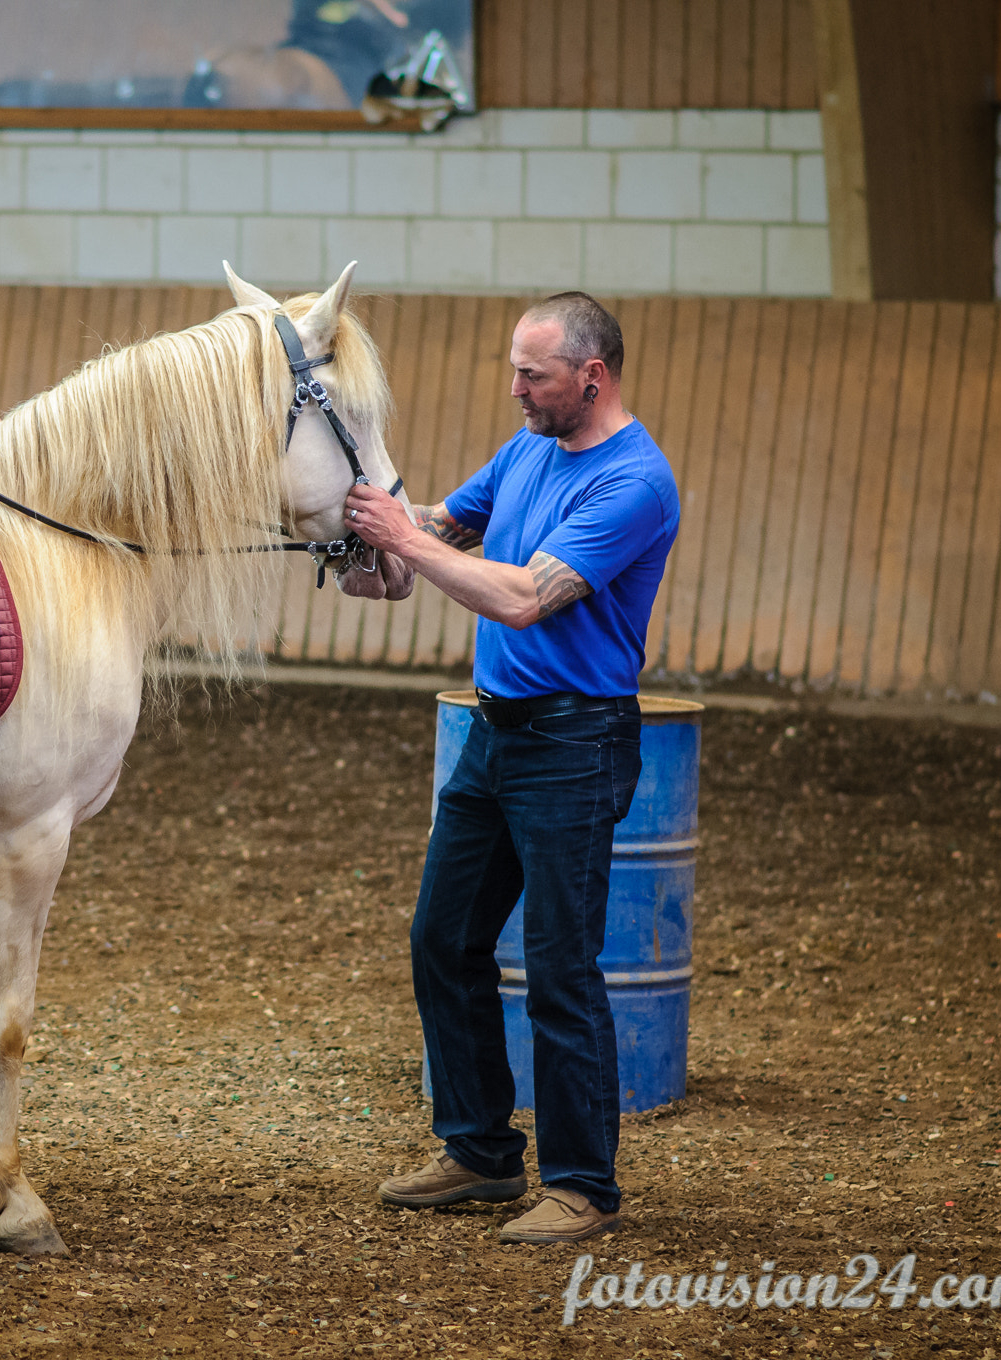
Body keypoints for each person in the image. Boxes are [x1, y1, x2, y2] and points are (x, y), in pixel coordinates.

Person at [340, 292, 680, 1244]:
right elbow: (445, 524)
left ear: (591, 377)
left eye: (533, 375)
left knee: (562, 965)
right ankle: (483, 1153)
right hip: (498, 735)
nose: (517, 388)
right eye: (514, 370)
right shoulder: (529, 446)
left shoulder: (635, 484)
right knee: (443, 939)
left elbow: (529, 596)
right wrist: (372, 535)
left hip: (575, 743)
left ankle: (584, 1186)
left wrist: (405, 542)